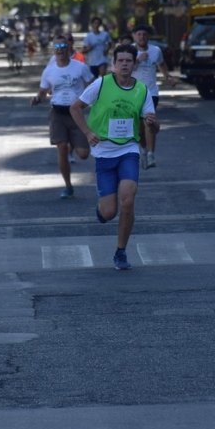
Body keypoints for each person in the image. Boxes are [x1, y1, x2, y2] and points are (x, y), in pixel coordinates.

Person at [70, 44, 158, 271]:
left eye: (129, 61)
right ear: (114, 64)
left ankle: (121, 251)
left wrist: (151, 124)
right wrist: (88, 132)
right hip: (104, 152)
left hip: (128, 149)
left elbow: (153, 123)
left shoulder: (142, 90)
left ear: (134, 64)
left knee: (128, 200)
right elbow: (75, 108)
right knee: (110, 212)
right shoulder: (101, 84)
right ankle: (102, 210)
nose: (125, 64)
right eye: (121, 61)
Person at [30, 34, 95, 199]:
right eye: (57, 47)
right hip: (57, 113)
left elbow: (94, 85)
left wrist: (96, 101)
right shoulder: (49, 71)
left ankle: (75, 142)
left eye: (63, 46)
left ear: (68, 48)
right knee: (61, 149)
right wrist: (37, 99)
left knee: (83, 154)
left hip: (76, 114)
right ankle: (68, 186)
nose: (60, 50)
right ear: (53, 50)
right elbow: (43, 92)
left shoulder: (80, 67)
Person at [131, 24, 175, 168]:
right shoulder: (129, 51)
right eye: (139, 34)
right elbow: (118, 69)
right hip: (133, 94)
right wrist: (138, 60)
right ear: (135, 36)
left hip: (151, 92)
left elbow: (161, 64)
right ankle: (143, 149)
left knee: (148, 122)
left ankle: (151, 155)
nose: (142, 37)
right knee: (138, 129)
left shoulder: (155, 50)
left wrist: (167, 76)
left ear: (148, 36)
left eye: (144, 34)